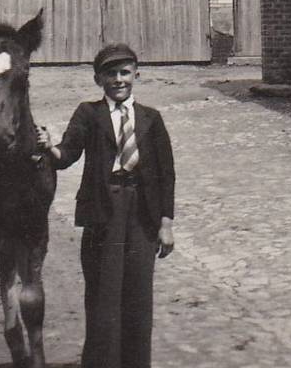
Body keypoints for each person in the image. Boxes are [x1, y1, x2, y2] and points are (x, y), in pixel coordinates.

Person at [38, 43, 175, 368]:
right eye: (110, 74)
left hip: (142, 212)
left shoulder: (151, 119)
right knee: (104, 296)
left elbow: (167, 173)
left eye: (124, 72)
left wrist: (166, 223)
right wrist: (48, 147)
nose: (118, 79)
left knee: (139, 296)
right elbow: (66, 154)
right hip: (104, 211)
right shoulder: (89, 113)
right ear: (99, 78)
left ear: (136, 74)